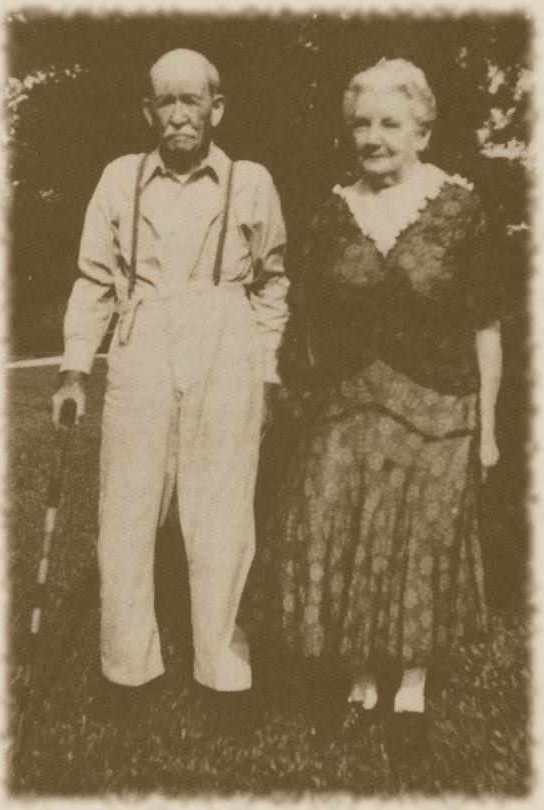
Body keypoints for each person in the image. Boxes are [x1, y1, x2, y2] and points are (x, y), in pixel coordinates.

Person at [246, 58, 502, 758]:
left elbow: (484, 323)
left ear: (423, 128)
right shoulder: (332, 212)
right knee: (348, 535)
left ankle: (411, 688)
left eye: (390, 122)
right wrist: (294, 397)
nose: (373, 136)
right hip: (348, 403)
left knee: (419, 546)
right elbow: (307, 319)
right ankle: (361, 682)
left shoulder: (461, 206)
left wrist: (488, 428)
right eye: (361, 122)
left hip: (440, 407)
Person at [51, 49, 289, 726]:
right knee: (127, 507)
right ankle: (127, 669)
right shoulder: (120, 179)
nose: (179, 115)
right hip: (143, 334)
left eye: (193, 101)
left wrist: (267, 370)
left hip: (226, 332)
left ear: (217, 109)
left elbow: (272, 284)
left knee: (220, 510)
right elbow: (95, 280)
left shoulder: (250, 181)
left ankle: (224, 670)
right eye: (167, 102)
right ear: (148, 111)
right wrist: (73, 369)